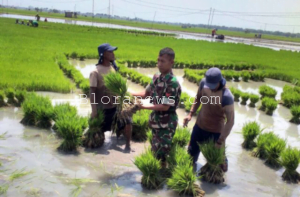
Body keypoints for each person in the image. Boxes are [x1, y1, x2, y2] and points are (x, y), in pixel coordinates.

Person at [131, 47, 182, 167]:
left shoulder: (172, 82)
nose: (159, 64)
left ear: (171, 62)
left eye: (163, 61)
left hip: (166, 125)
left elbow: (165, 106)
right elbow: (146, 94)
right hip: (155, 121)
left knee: (161, 156)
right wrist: (129, 94)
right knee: (154, 150)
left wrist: (143, 107)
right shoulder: (156, 77)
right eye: (158, 60)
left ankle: (161, 179)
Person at [183, 67, 234, 172]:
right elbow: (198, 98)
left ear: (220, 81)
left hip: (216, 133)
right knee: (190, 158)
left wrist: (220, 141)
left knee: (220, 167)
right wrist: (190, 114)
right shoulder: (203, 83)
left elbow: (230, 122)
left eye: (213, 86)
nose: (211, 88)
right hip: (199, 127)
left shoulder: (226, 96)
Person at [89, 43, 132, 151]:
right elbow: (92, 92)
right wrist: (94, 110)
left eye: (113, 51)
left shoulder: (113, 68)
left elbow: (117, 88)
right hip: (102, 110)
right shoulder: (95, 72)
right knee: (97, 137)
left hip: (114, 107)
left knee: (128, 120)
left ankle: (128, 146)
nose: (113, 54)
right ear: (103, 54)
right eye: (110, 52)